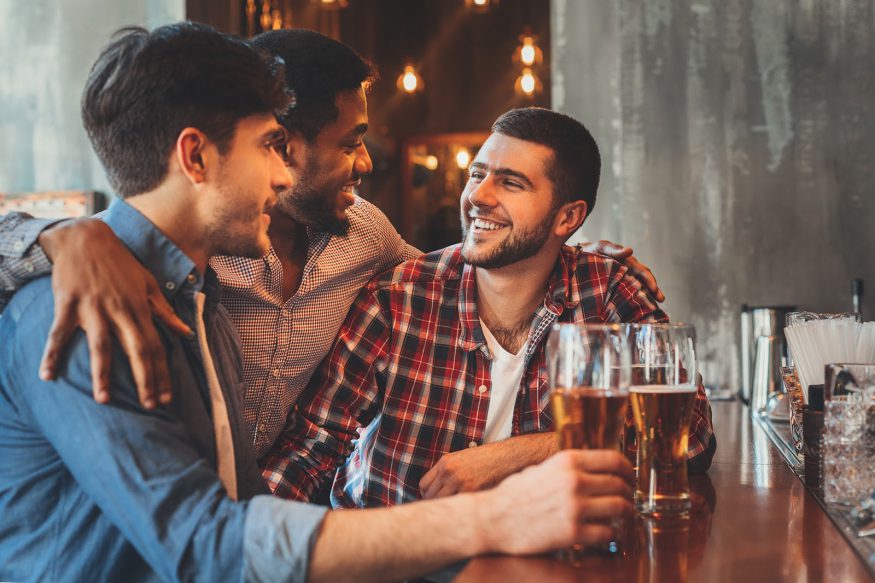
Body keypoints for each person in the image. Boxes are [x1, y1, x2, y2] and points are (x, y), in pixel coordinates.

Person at [0, 23, 636, 582]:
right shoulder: (88, 306)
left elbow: (447, 283)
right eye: (271, 146)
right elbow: (208, 545)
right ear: (195, 156)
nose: (283, 175)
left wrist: (570, 261)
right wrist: (490, 519)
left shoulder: (203, 297)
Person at [265, 107, 716, 508]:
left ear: (567, 218)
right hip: (401, 561)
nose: (478, 196)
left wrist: (518, 454)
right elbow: (313, 450)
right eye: (478, 174)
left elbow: (689, 438)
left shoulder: (608, 293)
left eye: (511, 182)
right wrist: (237, 551)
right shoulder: (399, 297)